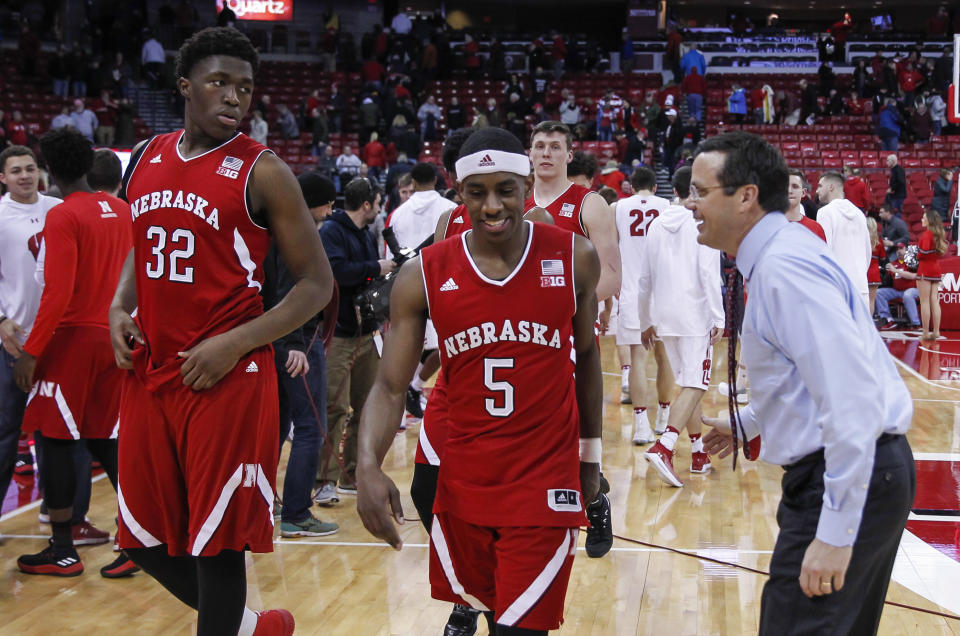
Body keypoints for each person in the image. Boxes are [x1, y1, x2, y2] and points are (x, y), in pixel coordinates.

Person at [109, 27, 333, 636]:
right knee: (144, 538)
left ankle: (235, 623)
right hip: (155, 369)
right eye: (219, 83)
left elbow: (317, 285)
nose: (234, 97)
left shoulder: (263, 171)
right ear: (185, 86)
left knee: (218, 545)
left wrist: (236, 343)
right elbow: (141, 242)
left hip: (227, 375)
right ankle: (251, 626)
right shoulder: (148, 155)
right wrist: (119, 305)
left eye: (245, 88)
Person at [356, 126, 603, 636]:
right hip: (465, 483)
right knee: (492, 617)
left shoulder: (574, 255)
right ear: (457, 191)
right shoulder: (422, 273)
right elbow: (387, 386)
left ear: (527, 182)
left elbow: (587, 357)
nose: (492, 205)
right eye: (477, 192)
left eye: (505, 190)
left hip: (544, 480)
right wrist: (366, 467)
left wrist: (590, 461)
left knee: (519, 629)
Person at [693, 131, 914, 636]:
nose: (690, 203)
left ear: (745, 196)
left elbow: (851, 395)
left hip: (846, 473)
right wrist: (752, 419)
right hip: (861, 467)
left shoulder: (783, 268)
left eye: (701, 191)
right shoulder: (783, 254)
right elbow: (807, 372)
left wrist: (836, 532)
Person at [13, 128, 133, 577]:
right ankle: (138, 541)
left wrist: (32, 351)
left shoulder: (64, 215)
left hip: (73, 341)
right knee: (110, 441)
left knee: (56, 443)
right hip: (117, 337)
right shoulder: (122, 209)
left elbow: (58, 292)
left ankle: (62, 548)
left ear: (50, 171)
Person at [525, 120, 619, 556]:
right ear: (529, 153)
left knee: (582, 434)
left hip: (572, 334)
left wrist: (560, 303)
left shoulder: (590, 204)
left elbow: (612, 277)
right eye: (539, 146)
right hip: (523, 338)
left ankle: (595, 501)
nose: (546, 153)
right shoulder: (514, 202)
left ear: (568, 155)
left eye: (554, 147)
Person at [262, 172, 339, 538]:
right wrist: (293, 342)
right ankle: (296, 513)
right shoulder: (297, 233)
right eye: (328, 202)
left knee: (275, 427)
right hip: (297, 343)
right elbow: (287, 292)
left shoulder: (275, 229)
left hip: (274, 341)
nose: (330, 209)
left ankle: (262, 501)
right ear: (319, 202)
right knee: (310, 428)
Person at [638, 166, 724, 487]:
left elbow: (644, 277)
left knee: (688, 384)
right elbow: (707, 272)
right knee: (697, 385)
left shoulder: (657, 223)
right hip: (694, 313)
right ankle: (666, 445)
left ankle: (699, 453)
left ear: (674, 190)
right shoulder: (704, 221)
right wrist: (719, 316)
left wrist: (646, 319)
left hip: (664, 314)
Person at [316, 178, 393, 505]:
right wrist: (376, 267)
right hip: (341, 336)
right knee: (334, 410)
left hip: (367, 333)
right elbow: (336, 273)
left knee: (366, 408)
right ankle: (325, 481)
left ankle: (352, 475)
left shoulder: (363, 232)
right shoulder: (332, 232)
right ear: (368, 204)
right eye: (378, 203)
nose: (380, 209)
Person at [0, 146, 63, 542]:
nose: (25, 176)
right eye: (16, 171)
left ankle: (59, 514)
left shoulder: (58, 208)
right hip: (14, 342)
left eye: (30, 168)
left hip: (59, 341)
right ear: (3, 178)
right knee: (6, 431)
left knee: (55, 435)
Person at [385, 163, 456, 419]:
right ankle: (415, 389)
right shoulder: (450, 211)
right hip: (444, 284)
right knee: (447, 348)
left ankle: (403, 403)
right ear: (437, 180)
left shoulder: (397, 214)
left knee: (408, 348)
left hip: (405, 286)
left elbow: (389, 258)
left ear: (412, 183)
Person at [612, 166, 674, 444]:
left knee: (638, 358)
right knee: (664, 358)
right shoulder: (669, 207)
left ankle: (640, 425)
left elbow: (611, 247)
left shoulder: (618, 207)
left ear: (631, 186)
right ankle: (663, 416)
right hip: (662, 290)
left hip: (631, 291)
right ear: (655, 185)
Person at [815, 171, 871, 310]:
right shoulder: (859, 214)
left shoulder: (824, 212)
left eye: (820, 185)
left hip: (836, 286)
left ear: (831, 187)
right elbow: (868, 252)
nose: (817, 190)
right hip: (860, 284)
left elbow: (824, 250)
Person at [916, 209, 947, 340]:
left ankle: (925, 333)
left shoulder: (927, 234)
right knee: (935, 301)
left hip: (925, 269)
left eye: (924, 218)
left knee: (924, 302)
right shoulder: (938, 234)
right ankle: (936, 331)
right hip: (935, 268)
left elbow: (924, 252)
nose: (922, 220)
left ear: (929, 220)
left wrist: (916, 254)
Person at [877, 243, 922, 330]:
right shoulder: (893, 263)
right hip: (897, 291)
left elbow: (913, 276)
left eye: (901, 248)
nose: (899, 251)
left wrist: (895, 270)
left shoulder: (911, 261)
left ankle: (916, 323)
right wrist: (885, 271)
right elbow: (887, 282)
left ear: (907, 250)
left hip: (913, 290)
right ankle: (888, 320)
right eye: (897, 249)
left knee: (907, 295)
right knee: (879, 293)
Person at [785, 169, 825, 240]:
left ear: (803, 193)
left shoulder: (816, 228)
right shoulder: (770, 227)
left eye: (795, 186)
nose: (789, 191)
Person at [866, 217, 885, 315]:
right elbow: (883, 258)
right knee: (871, 300)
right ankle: (869, 324)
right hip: (874, 273)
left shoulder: (861, 239)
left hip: (863, 271)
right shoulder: (879, 241)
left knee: (862, 299)